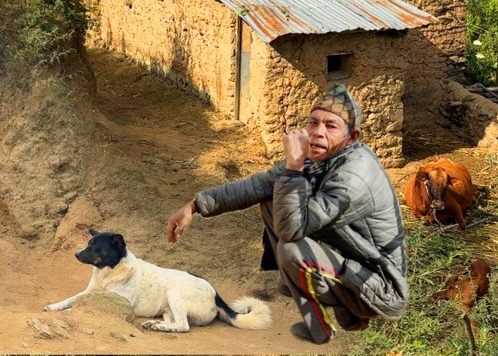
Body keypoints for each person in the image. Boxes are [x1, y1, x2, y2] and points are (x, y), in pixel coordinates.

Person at [165, 85, 407, 344]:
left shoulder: (355, 174)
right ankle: (319, 324)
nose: (317, 133)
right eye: (313, 123)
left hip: (380, 285)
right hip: (351, 264)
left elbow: (292, 230)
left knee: (291, 250)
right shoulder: (321, 157)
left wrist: (293, 168)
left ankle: (346, 312)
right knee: (271, 200)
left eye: (331, 126)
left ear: (352, 137)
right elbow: (258, 186)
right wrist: (195, 206)